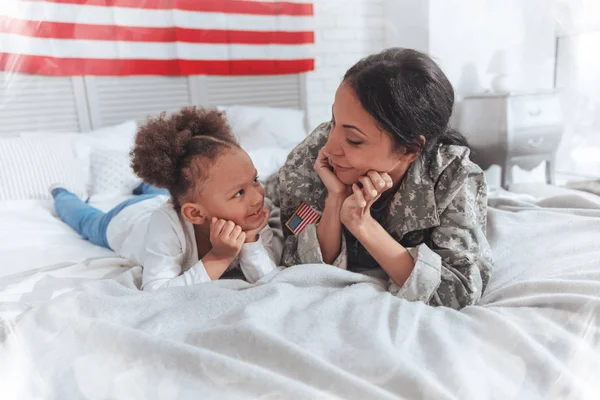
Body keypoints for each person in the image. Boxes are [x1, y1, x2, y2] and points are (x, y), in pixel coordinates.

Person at [277, 48, 493, 309]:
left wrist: (362, 224)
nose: (330, 147)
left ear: (409, 150)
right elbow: (293, 259)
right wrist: (335, 201)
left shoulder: (454, 177)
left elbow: (458, 290)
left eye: (354, 140)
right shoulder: (310, 159)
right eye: (333, 121)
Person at [51, 106, 282, 291]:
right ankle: (61, 194)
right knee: (85, 220)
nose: (258, 196)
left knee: (166, 194)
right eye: (239, 192)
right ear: (196, 214)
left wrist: (251, 240)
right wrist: (219, 257)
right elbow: (157, 291)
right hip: (127, 219)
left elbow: (267, 280)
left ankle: (146, 187)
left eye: (255, 180)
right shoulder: (167, 226)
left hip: (164, 201)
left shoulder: (251, 215)